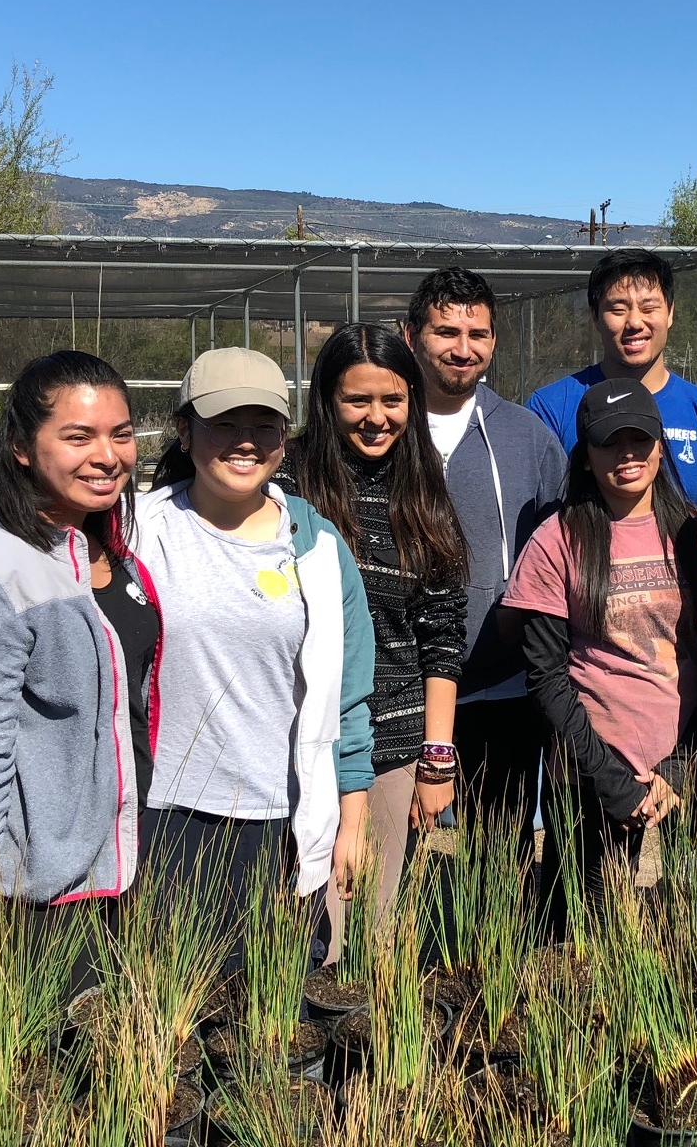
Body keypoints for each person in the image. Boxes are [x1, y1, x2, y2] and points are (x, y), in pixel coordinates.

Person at [0, 351, 157, 1063]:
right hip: (42, 899)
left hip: (122, 870)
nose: (108, 455)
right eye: (78, 436)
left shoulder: (101, 544)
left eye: (120, 433)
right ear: (23, 447)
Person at [138, 347, 374, 955]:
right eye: (224, 423)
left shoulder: (318, 548)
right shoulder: (138, 533)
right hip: (166, 815)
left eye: (263, 424)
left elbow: (347, 696)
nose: (246, 442)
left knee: (278, 1013)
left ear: (284, 438)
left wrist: (352, 815)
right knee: (172, 1010)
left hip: (284, 819)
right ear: (185, 431)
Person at [275, 323, 468, 958]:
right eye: (357, 401)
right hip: (293, 745)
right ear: (327, 402)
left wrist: (437, 757)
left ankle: (371, 1059)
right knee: (298, 931)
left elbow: (441, 632)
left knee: (376, 930)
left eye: (392, 400)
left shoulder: (423, 487)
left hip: (390, 744)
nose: (376, 418)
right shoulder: (289, 485)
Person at [503, 379, 697, 929]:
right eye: (608, 443)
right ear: (586, 457)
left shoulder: (694, 535)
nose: (626, 456)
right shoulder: (558, 540)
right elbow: (546, 676)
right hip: (591, 773)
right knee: (579, 934)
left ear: (660, 446)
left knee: (691, 930)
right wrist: (610, 780)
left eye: (638, 441)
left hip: (683, 766)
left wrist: (680, 766)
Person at [404, 267, 566, 825]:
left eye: (478, 335)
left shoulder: (528, 438)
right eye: (446, 333)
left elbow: (560, 553)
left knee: (501, 861)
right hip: (395, 685)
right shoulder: (382, 427)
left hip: (501, 688)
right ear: (411, 335)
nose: (463, 349)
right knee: (387, 856)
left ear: (494, 341)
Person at [526, 248, 697, 507]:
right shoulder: (549, 410)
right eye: (618, 309)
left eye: (649, 307)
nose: (634, 322)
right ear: (595, 317)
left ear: (670, 313)